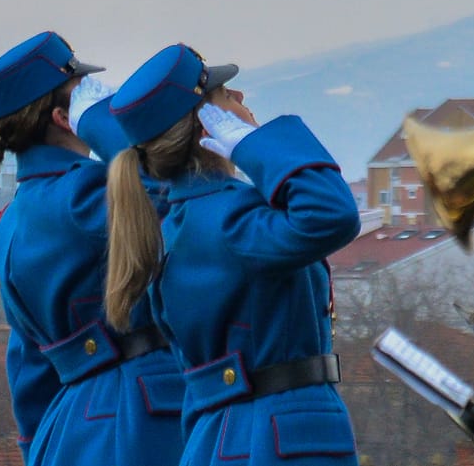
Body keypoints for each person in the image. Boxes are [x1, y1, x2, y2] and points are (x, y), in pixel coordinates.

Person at [105, 45, 360, 466]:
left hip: (221, 438)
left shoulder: (180, 223)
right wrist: (254, 145)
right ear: (205, 126)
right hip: (285, 439)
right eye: (224, 94)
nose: (240, 97)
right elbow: (332, 214)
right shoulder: (231, 219)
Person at [0, 32, 184, 466]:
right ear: (64, 118)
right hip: (145, 418)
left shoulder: (8, 223)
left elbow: (27, 363)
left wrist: (39, 447)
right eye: (84, 96)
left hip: (70, 427)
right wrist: (102, 125)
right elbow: (169, 192)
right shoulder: (84, 193)